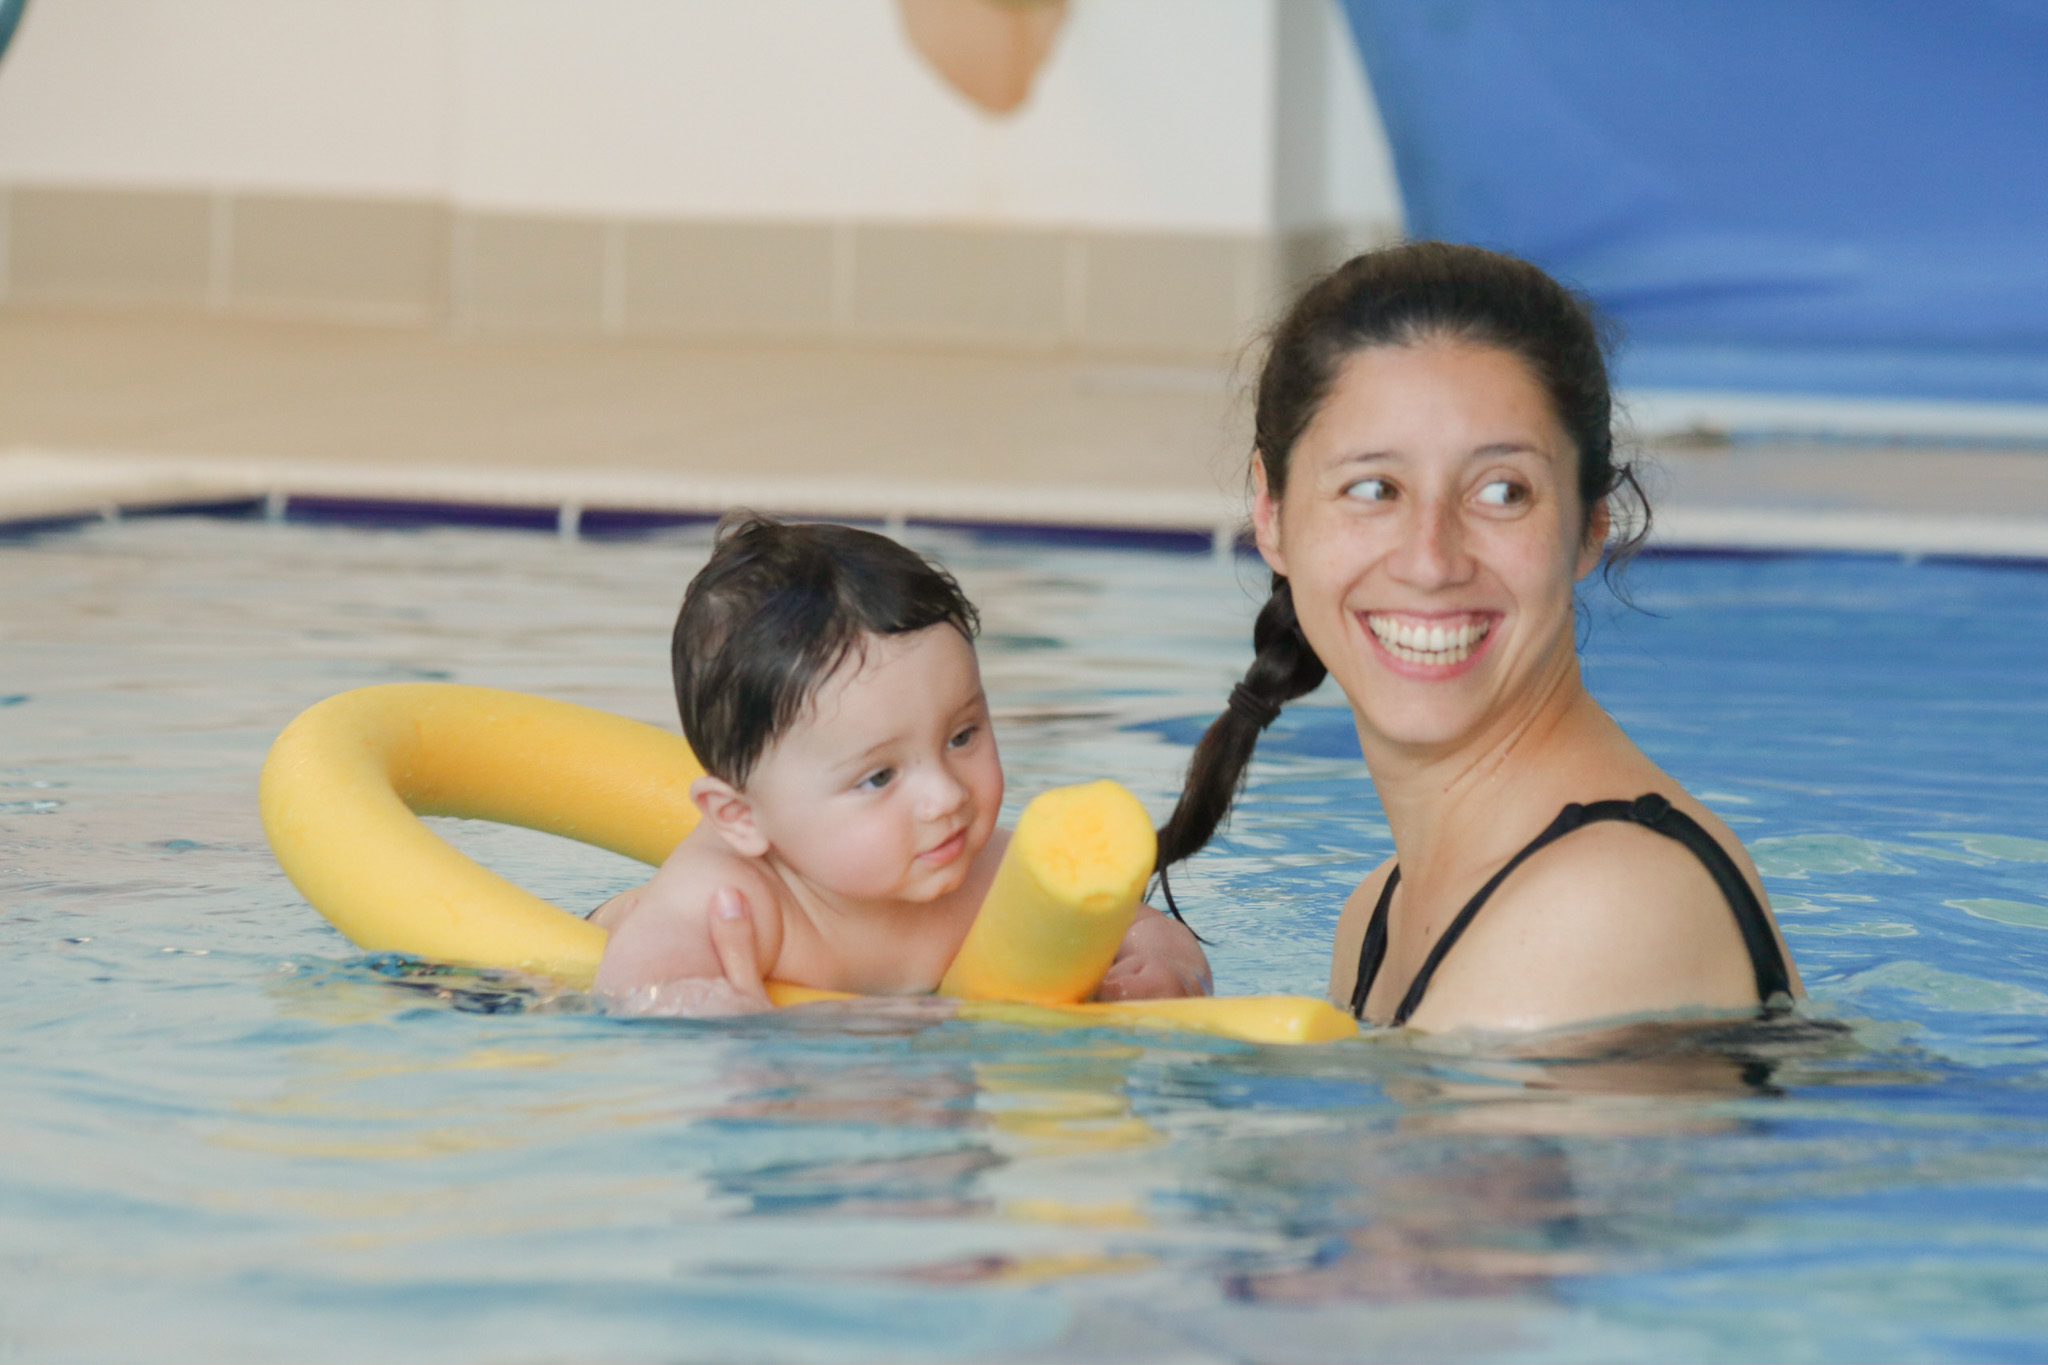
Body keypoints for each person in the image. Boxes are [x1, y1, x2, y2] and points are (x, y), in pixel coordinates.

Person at [1154, 242, 1800, 1034]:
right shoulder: (1377, 916)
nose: (1431, 561)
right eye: (1373, 488)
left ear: (1590, 524)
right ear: (1272, 512)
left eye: (1501, 491)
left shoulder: (1601, 905)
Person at [593, 514, 1210, 1015]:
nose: (946, 796)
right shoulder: (732, 898)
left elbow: (1137, 924)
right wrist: (730, 1022)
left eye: (961, 736)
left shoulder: (987, 872)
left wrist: (1165, 969)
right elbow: (641, 988)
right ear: (741, 818)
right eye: (880, 776)